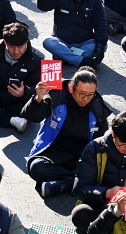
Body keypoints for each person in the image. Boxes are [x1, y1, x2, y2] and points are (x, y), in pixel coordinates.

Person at [22, 67, 112, 198]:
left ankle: (64, 184)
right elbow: (32, 116)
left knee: (101, 171)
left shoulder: (97, 108)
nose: (86, 99)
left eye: (90, 94)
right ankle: (78, 182)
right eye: (82, 93)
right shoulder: (57, 97)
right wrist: (38, 99)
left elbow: (100, 142)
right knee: (36, 168)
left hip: (80, 157)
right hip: (53, 152)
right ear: (71, 88)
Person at [38, 0, 107, 69]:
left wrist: (100, 46)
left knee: (102, 45)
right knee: (47, 42)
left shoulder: (95, 1)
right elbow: (43, 6)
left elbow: (101, 24)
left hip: (84, 44)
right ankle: (81, 61)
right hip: (63, 42)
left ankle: (66, 57)